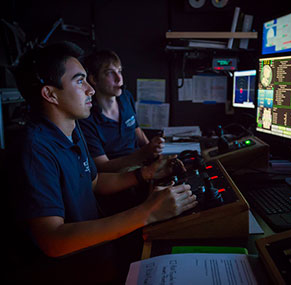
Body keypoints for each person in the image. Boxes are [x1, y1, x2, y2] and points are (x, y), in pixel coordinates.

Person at [8, 41, 197, 284]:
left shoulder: (72, 130)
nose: (90, 90)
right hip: (71, 273)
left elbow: (94, 182)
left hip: (99, 255)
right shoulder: (35, 149)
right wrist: (146, 213)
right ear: (50, 94)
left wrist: (145, 174)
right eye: (79, 81)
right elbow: (53, 240)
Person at [79, 49, 164, 173]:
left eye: (119, 71)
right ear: (93, 79)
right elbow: (102, 166)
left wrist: (153, 151)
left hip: (141, 165)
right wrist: (143, 154)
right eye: (109, 73)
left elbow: (136, 130)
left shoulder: (125, 97)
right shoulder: (86, 118)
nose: (119, 79)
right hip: (117, 177)